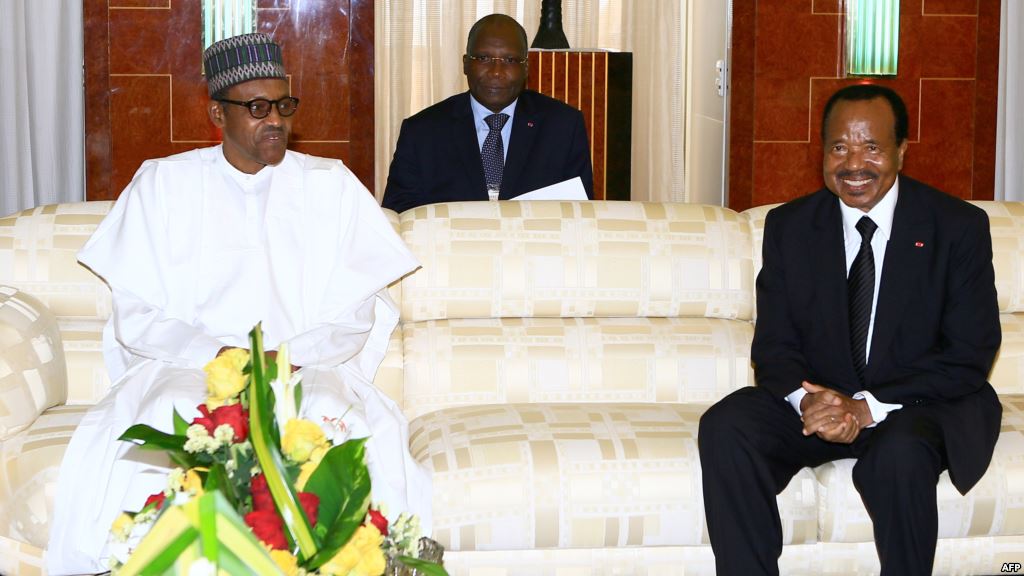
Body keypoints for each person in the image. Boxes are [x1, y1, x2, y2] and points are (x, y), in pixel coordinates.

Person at [46, 33, 429, 573]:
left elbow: (355, 313)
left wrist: (282, 359)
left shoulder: (331, 185)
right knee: (165, 421)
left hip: (305, 367)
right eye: (256, 108)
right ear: (216, 114)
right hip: (190, 368)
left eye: (283, 105)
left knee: (336, 419)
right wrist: (223, 357)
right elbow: (136, 316)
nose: (275, 120)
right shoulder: (164, 184)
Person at [698, 84, 1001, 576]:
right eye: (839, 147)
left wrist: (865, 407)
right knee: (727, 424)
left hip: (916, 406)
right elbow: (774, 346)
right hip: (823, 402)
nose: (853, 163)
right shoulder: (790, 227)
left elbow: (969, 353)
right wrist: (811, 403)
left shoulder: (956, 226)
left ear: (902, 151)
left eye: (872, 147)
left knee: (899, 457)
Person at [381, 13, 594, 213]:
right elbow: (400, 215)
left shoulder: (563, 127)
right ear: (465, 64)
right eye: (483, 58)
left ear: (526, 68)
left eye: (510, 60)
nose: (496, 72)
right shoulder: (422, 132)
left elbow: (578, 213)